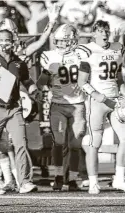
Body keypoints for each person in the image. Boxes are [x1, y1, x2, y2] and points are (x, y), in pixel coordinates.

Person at [0, 18, 39, 194]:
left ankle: (24, 181)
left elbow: (27, 80)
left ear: (13, 42)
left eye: (7, 40)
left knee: (21, 143)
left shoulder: (19, 62)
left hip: (13, 107)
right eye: (1, 40)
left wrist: (35, 91)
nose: (4, 43)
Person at [37, 24, 88, 191]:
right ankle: (58, 176)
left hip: (78, 104)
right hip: (58, 105)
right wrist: (47, 73)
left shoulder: (82, 54)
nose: (60, 45)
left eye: (64, 42)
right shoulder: (49, 56)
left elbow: (87, 76)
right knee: (58, 143)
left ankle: (72, 179)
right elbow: (40, 83)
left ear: (73, 42)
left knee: (75, 145)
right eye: (58, 42)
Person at [77, 20, 125, 194]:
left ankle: (119, 178)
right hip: (97, 101)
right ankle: (93, 182)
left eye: (106, 30)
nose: (104, 34)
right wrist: (97, 95)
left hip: (115, 100)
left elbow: (118, 77)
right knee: (94, 142)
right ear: (93, 33)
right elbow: (81, 82)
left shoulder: (117, 47)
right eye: (100, 31)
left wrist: (122, 95)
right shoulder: (87, 50)